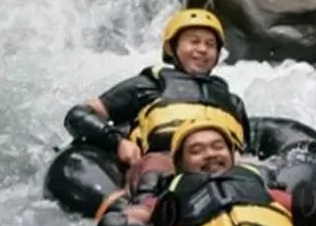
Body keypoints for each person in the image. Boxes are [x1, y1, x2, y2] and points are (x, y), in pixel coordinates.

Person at [93, 111, 305, 226]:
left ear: (232, 155)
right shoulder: (171, 199)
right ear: (180, 163)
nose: (210, 154)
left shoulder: (259, 186)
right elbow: (115, 224)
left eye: (218, 147)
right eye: (196, 151)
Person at [63, 9, 250, 173]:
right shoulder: (148, 85)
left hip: (226, 171)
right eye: (194, 41)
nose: (202, 49)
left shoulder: (232, 102)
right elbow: (79, 115)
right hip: (163, 172)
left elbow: (247, 148)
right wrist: (118, 142)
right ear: (171, 47)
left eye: (210, 44)